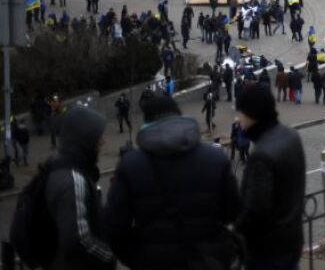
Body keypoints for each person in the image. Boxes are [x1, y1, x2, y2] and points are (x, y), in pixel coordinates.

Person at [103, 95, 242, 269]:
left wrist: (138, 258)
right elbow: (234, 213)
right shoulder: (215, 157)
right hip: (208, 260)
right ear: (179, 115)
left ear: (146, 122)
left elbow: (114, 227)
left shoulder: (130, 165)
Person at [234, 85, 307, 270]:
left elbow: (256, 211)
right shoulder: (291, 136)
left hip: (267, 251)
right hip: (291, 239)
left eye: (240, 113)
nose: (237, 119)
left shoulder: (261, 155)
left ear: (253, 114)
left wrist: (235, 231)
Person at [42, 106, 116, 270]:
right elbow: (78, 240)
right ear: (85, 140)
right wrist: (109, 256)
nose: (103, 141)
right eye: (98, 137)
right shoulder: (73, 179)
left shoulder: (59, 165)